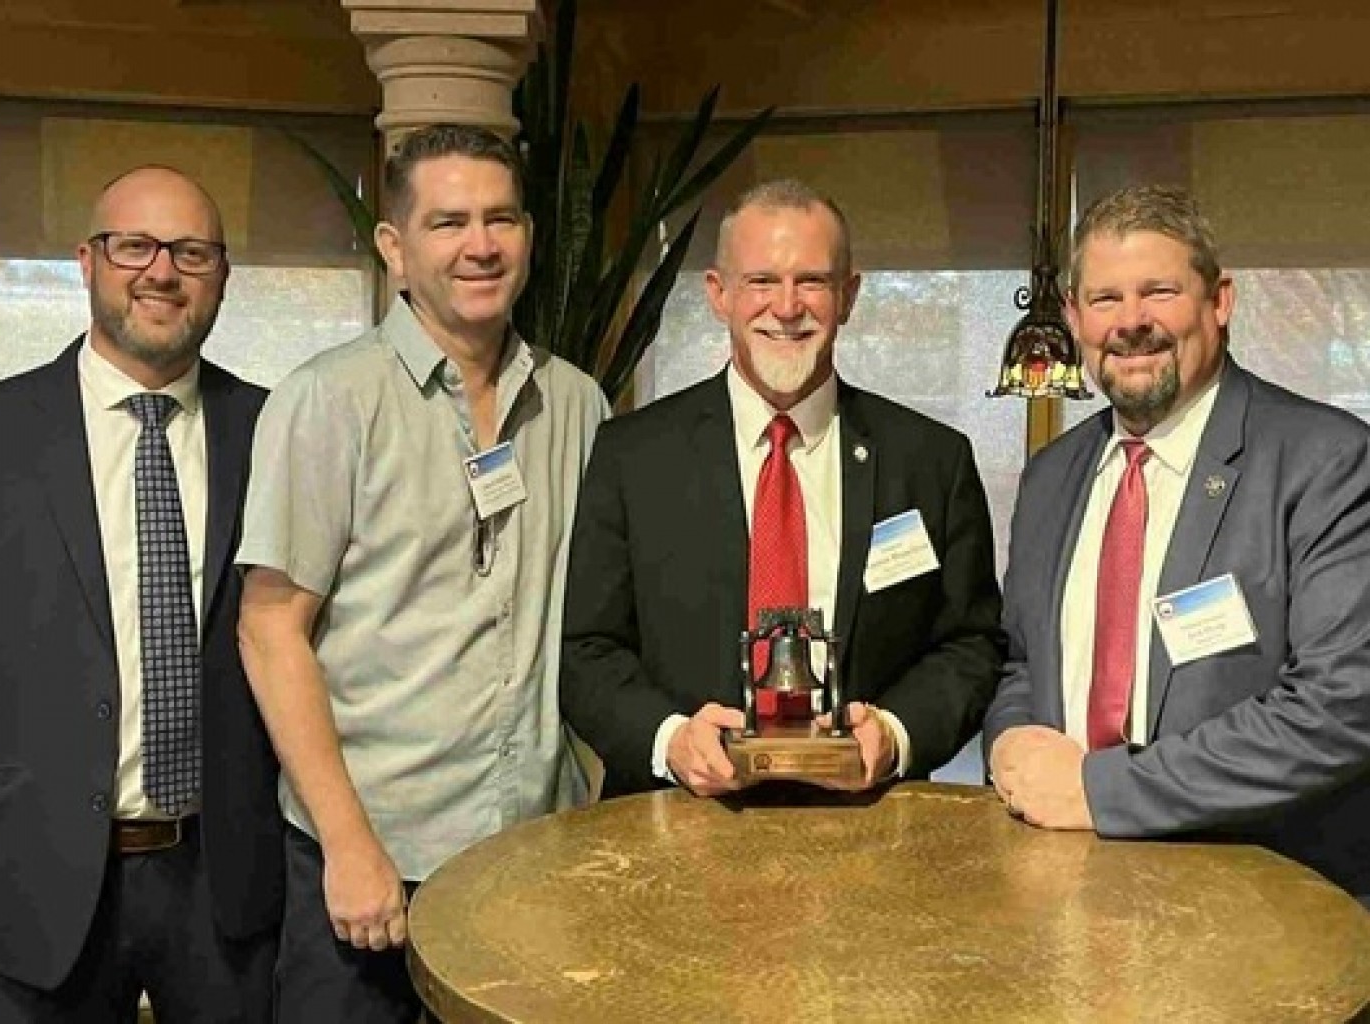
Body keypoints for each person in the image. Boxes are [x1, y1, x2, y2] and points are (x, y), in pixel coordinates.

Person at [235, 124, 610, 1022]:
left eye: (500, 218)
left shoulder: (578, 403)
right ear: (395, 248)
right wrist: (348, 842)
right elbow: (269, 628)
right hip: (370, 861)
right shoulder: (328, 399)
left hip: (530, 857)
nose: (479, 245)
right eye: (447, 222)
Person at [0, 166, 281, 1020]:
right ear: (86, 262)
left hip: (228, 879)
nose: (161, 271)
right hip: (39, 871)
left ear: (222, 277)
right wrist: (14, 754)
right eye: (133, 245)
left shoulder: (276, 432)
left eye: (191, 252)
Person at [986, 184, 1370, 903]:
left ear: (1217, 301)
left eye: (1158, 291)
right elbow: (1023, 663)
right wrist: (1010, 746)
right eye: (1103, 300)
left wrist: (1100, 791)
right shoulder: (1049, 478)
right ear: (1072, 318)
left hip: (1264, 905)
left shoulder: (1327, 459)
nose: (1130, 323)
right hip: (1064, 892)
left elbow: (1341, 706)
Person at [560, 178, 1004, 799]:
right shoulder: (632, 457)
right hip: (673, 828)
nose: (787, 306)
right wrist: (670, 740)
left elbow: (971, 644)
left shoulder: (931, 460)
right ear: (719, 295)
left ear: (848, 296)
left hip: (869, 830)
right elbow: (586, 651)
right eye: (762, 282)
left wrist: (898, 733)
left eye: (813, 281)